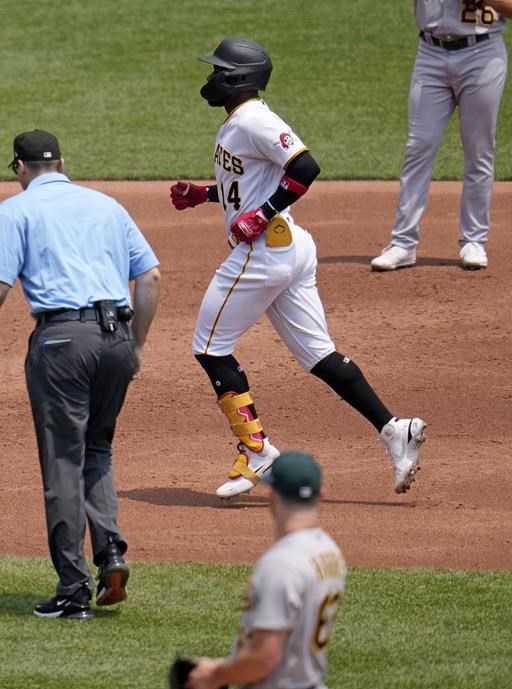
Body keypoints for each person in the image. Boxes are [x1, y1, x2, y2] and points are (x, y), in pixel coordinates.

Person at [170, 38, 426, 499]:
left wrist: (262, 213)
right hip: (290, 249)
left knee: (209, 347)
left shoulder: (254, 119)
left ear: (236, 77)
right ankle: (395, 430)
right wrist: (205, 195)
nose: (210, 78)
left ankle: (258, 449)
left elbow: (305, 167)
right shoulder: (240, 121)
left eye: (217, 70)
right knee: (319, 354)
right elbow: (251, 182)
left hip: (265, 251)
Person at [0, 129, 161, 619]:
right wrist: (135, 347)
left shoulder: (16, 211)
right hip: (115, 338)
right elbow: (150, 277)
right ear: (63, 163)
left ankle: (73, 590)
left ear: (20, 168)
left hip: (62, 343)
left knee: (63, 460)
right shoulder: (107, 205)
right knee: (97, 448)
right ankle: (110, 550)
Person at [186, 450, 347, 689]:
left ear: (271, 495)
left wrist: (215, 676)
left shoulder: (280, 565)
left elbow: (265, 657)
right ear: (321, 494)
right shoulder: (329, 551)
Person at [371, 0, 512, 272]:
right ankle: (403, 243)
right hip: (430, 54)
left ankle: (474, 240)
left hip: (482, 54)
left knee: (478, 150)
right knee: (419, 147)